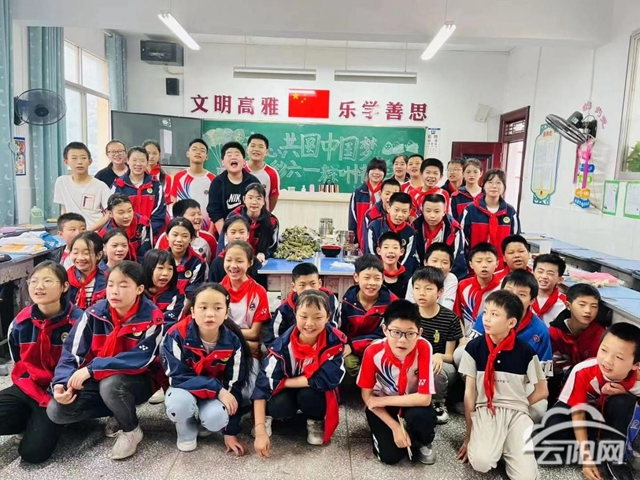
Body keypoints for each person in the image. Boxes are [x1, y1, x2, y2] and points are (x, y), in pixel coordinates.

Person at [47, 261, 166, 460]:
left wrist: (92, 368)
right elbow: (71, 353)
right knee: (56, 410)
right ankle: (117, 411)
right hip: (98, 377)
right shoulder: (94, 313)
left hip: (138, 380)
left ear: (139, 289)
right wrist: (61, 382)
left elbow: (139, 360)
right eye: (111, 284)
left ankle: (131, 429)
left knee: (111, 385)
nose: (115, 291)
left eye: (123, 285)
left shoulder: (152, 318)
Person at [457, 291, 547, 480]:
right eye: (486, 312)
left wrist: (521, 405)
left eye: (494, 314)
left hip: (517, 414)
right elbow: (469, 394)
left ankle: (510, 447)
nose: (486, 318)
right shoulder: (474, 348)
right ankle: (503, 448)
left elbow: (542, 390)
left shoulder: (525, 351)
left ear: (511, 322)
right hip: (486, 410)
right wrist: (469, 434)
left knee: (526, 478)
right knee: (481, 463)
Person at [0, 262, 83, 463]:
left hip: (61, 391)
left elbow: (84, 364)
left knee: (32, 454)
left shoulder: (80, 322)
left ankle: (59, 420)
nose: (39, 287)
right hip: (30, 385)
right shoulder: (20, 323)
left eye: (47, 281)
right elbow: (19, 361)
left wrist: (63, 390)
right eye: (34, 281)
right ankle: (33, 419)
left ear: (64, 286)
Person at [538, 323, 640, 480]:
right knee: (553, 425)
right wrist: (586, 458)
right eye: (604, 350)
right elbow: (577, 414)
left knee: (623, 402)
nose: (608, 360)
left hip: (609, 421)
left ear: (636, 365)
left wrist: (627, 394)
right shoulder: (583, 370)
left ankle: (616, 457)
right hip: (581, 414)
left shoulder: (637, 380)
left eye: (619, 357)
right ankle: (594, 451)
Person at [252, 290, 347, 456]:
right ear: (295, 314)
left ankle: (315, 420)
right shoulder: (281, 346)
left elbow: (328, 379)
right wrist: (260, 432)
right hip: (285, 391)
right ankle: (270, 416)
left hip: (308, 388)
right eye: (304, 316)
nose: (310, 323)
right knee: (279, 405)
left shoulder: (334, 342)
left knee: (313, 396)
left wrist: (284, 382)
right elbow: (262, 386)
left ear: (327, 317)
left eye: (318, 317)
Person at [162, 283, 252, 454]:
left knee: (216, 419)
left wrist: (230, 432)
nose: (210, 314)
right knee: (179, 405)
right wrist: (217, 389)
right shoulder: (176, 335)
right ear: (193, 311)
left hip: (213, 394)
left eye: (218, 308)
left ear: (226, 312)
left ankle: (205, 421)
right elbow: (177, 377)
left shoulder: (233, 342)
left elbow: (234, 386)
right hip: (184, 390)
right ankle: (186, 428)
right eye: (203, 307)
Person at [357, 299, 437, 465]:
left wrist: (383, 400)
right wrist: (394, 426)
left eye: (410, 333)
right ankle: (389, 432)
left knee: (422, 417)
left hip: (410, 401)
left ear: (419, 333)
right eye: (396, 332)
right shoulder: (373, 351)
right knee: (390, 456)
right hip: (381, 406)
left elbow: (424, 398)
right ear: (385, 330)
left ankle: (422, 441)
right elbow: (367, 397)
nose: (402, 340)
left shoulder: (424, 347)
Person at [468, 270, 552, 421]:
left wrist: (517, 406)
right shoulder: (488, 316)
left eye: (522, 294)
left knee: (538, 410)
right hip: (486, 372)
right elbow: (473, 351)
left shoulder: (540, 331)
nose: (513, 298)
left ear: (532, 300)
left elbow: (542, 379)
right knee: (461, 354)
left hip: (519, 381)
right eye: (509, 291)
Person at [412, 267, 463, 425]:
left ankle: (438, 402)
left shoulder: (450, 318)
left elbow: (450, 356)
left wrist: (438, 356)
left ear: (440, 292)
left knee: (436, 369)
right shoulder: (408, 313)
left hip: (440, 364)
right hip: (412, 360)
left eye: (428, 289)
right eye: (417, 288)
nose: (421, 293)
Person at [340, 254, 397, 377]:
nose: (372, 283)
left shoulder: (392, 303)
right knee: (347, 363)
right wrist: (346, 346)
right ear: (356, 277)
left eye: (377, 278)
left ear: (383, 278)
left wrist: (353, 345)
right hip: (352, 348)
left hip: (379, 347)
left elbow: (385, 334)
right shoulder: (348, 300)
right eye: (366, 278)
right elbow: (343, 330)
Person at [548, 284, 604, 404]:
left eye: (594, 306)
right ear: (568, 305)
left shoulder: (601, 336)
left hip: (590, 390)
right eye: (582, 305)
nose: (588, 311)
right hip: (557, 385)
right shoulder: (554, 333)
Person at [265, 262, 341, 347]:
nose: (308, 289)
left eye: (313, 284)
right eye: (302, 285)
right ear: (294, 287)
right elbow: (273, 340)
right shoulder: (284, 309)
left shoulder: (330, 299)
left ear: (319, 283)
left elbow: (334, 327)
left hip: (324, 348)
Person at [460, 169, 520, 269]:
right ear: (483, 185)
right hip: (475, 266)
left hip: (502, 266)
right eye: (490, 182)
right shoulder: (470, 209)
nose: (494, 186)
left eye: (498, 183)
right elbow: (461, 239)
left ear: (504, 187)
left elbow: (515, 241)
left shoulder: (510, 212)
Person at [219, 241, 270, 356]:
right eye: (229, 260)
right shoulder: (217, 291)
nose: (233, 265)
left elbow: (254, 333)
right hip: (223, 350)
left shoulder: (259, 292)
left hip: (250, 354)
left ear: (250, 262)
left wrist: (225, 333)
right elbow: (214, 330)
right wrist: (246, 344)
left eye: (239, 261)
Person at [111, 146, 167, 239]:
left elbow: (159, 213)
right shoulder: (118, 185)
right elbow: (112, 212)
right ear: (127, 161)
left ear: (147, 162)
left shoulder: (156, 185)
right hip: (123, 237)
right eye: (134, 160)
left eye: (142, 160)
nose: (138, 164)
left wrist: (147, 233)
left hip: (149, 237)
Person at [53, 142, 111, 229]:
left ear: (90, 161)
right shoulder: (62, 182)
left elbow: (109, 214)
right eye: (74, 158)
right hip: (73, 232)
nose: (79, 162)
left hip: (94, 232)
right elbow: (64, 209)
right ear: (66, 162)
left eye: (83, 158)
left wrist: (88, 231)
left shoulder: (100, 186)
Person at [207, 141, 260, 235]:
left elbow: (258, 208)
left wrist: (247, 235)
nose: (233, 157)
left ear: (244, 162)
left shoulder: (253, 182)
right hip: (224, 231)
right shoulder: (217, 183)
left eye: (237, 154)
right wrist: (226, 236)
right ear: (223, 162)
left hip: (249, 233)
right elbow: (215, 212)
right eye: (229, 154)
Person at [412, 192, 467, 280]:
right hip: (420, 274)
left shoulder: (454, 229)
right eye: (428, 211)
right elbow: (413, 257)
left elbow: (457, 259)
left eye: (437, 211)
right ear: (422, 210)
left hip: (446, 275)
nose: (432, 216)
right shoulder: (415, 227)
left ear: (444, 212)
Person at [223, 183, 280, 263]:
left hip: (261, 262)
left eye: (258, 198)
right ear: (244, 199)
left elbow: (273, 247)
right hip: (236, 259)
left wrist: (263, 254)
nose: (254, 202)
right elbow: (224, 243)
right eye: (250, 198)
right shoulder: (233, 217)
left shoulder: (272, 221)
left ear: (264, 201)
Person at [454, 242, 501, 334]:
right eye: (479, 261)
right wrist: (462, 338)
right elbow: (457, 315)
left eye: (489, 261)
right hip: (465, 336)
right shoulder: (463, 285)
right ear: (471, 264)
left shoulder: (502, 288)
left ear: (497, 263)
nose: (484, 265)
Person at [209, 216, 266, 289]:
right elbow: (212, 290)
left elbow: (262, 287)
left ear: (248, 234)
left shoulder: (255, 262)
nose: (237, 236)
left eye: (241, 232)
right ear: (226, 235)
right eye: (233, 232)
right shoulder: (217, 263)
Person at [365, 192, 417, 271]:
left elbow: (408, 258)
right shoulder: (374, 226)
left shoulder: (410, 232)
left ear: (409, 212)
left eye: (404, 211)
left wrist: (398, 273)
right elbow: (370, 253)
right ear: (388, 208)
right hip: (377, 272)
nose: (399, 215)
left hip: (400, 274)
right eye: (396, 210)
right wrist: (380, 272)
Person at [155, 199, 217, 264]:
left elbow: (214, 264)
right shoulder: (165, 237)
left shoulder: (209, 238)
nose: (198, 217)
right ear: (180, 217)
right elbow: (156, 261)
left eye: (199, 214)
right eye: (192, 215)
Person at [171, 139, 216, 226]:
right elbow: (174, 202)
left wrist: (211, 230)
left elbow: (215, 207)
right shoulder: (179, 177)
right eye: (194, 149)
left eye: (202, 150)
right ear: (188, 154)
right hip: (184, 227)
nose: (198, 152)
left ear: (207, 156)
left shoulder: (213, 179)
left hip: (206, 227)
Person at [99, 193, 152, 262]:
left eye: (129, 211)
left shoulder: (143, 224)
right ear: (110, 214)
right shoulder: (105, 233)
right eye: (121, 213)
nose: (126, 216)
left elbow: (146, 251)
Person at [405, 243, 458, 311]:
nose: (439, 266)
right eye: (434, 261)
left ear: (450, 267)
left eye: (444, 262)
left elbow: (447, 308)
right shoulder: (415, 279)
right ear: (425, 263)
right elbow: (409, 306)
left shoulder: (451, 279)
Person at [349, 157, 387, 248]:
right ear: (368, 171)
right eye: (373, 169)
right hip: (361, 239)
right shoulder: (358, 192)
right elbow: (353, 219)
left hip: (382, 240)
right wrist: (354, 241)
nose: (376, 172)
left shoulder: (387, 193)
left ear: (384, 174)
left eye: (380, 170)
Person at [142, 249, 185, 327]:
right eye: (160, 268)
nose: (166, 273)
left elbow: (169, 322)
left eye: (170, 269)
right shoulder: (137, 293)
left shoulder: (177, 296)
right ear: (148, 268)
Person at [165, 217, 206, 297]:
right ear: (167, 236)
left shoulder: (198, 263)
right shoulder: (158, 260)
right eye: (175, 235)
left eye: (184, 236)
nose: (179, 240)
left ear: (191, 239)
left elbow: (192, 294)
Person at [67, 232, 107, 309]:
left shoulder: (107, 280)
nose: (80, 258)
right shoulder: (64, 278)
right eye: (75, 252)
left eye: (86, 253)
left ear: (99, 255)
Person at [245, 133, 281, 212]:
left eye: (260, 147)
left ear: (266, 152)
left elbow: (273, 197)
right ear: (247, 149)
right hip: (240, 216)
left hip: (262, 216)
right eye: (253, 146)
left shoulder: (272, 173)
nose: (256, 149)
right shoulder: (239, 170)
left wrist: (265, 213)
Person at [532, 253, 567, 326]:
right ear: (532, 273)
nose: (544, 276)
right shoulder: (523, 297)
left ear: (560, 279)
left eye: (550, 273)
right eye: (540, 272)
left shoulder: (565, 303)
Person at [376, 231, 411, 299]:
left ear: (401, 251)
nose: (390, 251)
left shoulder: (408, 278)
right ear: (379, 251)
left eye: (395, 248)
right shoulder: (374, 275)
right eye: (386, 247)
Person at [143, 139, 173, 206]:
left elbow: (168, 203)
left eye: (154, 153)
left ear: (160, 155)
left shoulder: (166, 178)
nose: (151, 156)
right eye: (148, 153)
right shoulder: (137, 175)